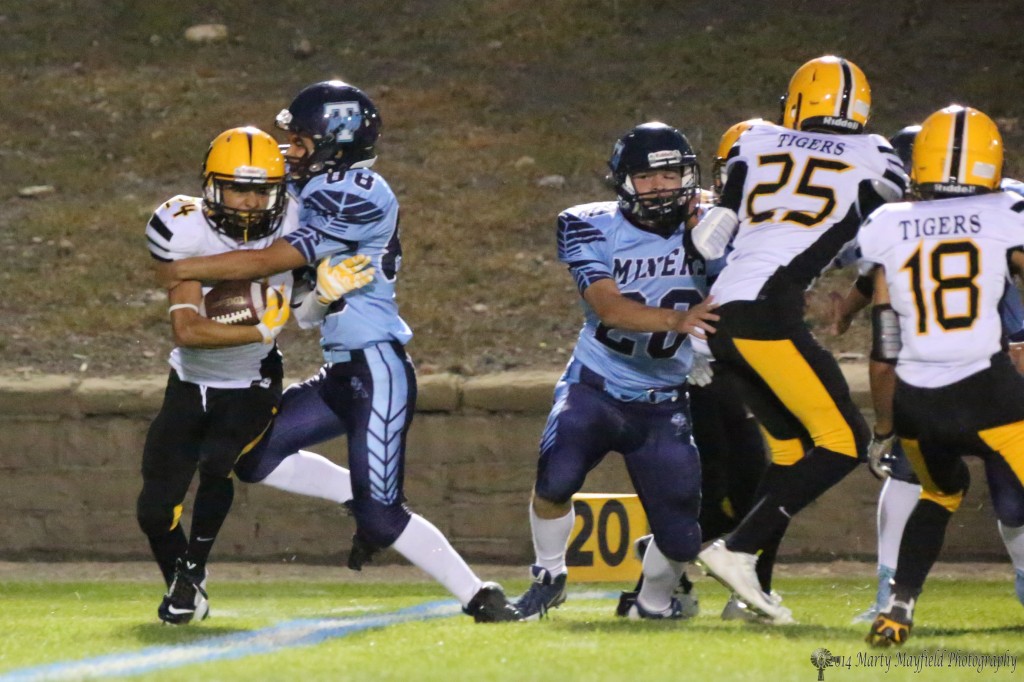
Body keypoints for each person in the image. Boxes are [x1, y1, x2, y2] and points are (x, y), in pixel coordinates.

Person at [156, 80, 521, 623]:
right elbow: (302, 311)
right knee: (252, 457)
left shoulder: (357, 188)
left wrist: (185, 266)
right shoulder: (311, 192)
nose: (291, 150)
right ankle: (363, 492)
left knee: (382, 515)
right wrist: (314, 295)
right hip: (342, 369)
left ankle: (480, 595)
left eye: (301, 140)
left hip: (378, 366)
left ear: (336, 141)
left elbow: (267, 259)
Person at [688, 55, 908, 622]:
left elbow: (716, 235)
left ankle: (748, 593)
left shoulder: (756, 140)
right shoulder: (876, 154)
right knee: (842, 442)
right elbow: (890, 229)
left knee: (789, 451)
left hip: (721, 317)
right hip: (767, 313)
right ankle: (736, 549)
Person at [140, 126, 373, 624]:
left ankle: (189, 582)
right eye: (236, 188)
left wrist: (323, 296)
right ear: (209, 186)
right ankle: (187, 584)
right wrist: (258, 331)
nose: (248, 203)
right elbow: (186, 330)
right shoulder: (182, 226)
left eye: (260, 190)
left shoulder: (295, 219)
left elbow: (306, 317)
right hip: (190, 379)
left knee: (219, 462)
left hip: (252, 381)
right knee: (154, 509)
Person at [513, 121, 720, 621]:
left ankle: (650, 604)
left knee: (682, 536)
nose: (661, 186)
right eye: (647, 176)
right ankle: (549, 575)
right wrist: (680, 320)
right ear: (622, 181)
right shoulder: (590, 223)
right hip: (596, 386)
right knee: (555, 482)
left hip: (665, 398)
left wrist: (718, 240)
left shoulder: (716, 222)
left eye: (672, 174)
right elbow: (608, 306)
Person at [832, 125, 1024, 623]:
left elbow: (885, 339)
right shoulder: (1006, 211)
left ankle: (897, 606)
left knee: (939, 494)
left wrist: (885, 426)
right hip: (988, 389)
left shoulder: (890, 221)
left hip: (917, 400)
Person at [622, 118, 773, 622]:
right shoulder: (702, 214)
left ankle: (742, 593)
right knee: (709, 494)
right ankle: (663, 584)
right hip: (696, 371)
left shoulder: (782, 219)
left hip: (745, 365)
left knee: (759, 483)